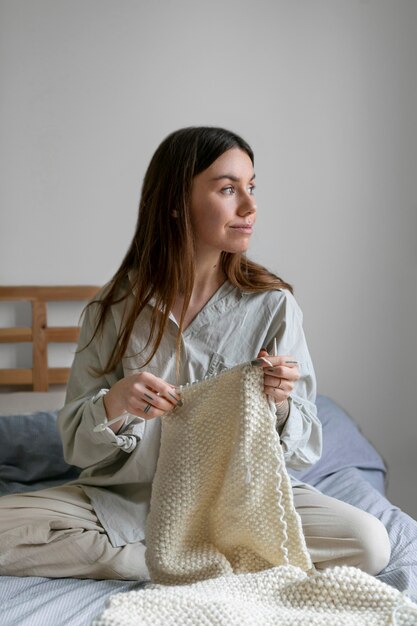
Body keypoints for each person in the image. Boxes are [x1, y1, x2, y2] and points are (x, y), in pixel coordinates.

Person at [0, 126, 390, 580]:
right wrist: (117, 403)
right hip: (129, 500)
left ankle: (185, 556)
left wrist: (280, 405)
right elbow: (76, 447)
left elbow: (304, 450)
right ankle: (163, 562)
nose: (250, 206)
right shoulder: (111, 310)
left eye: (251, 187)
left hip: (242, 500)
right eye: (228, 189)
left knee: (370, 543)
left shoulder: (273, 305)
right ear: (174, 201)